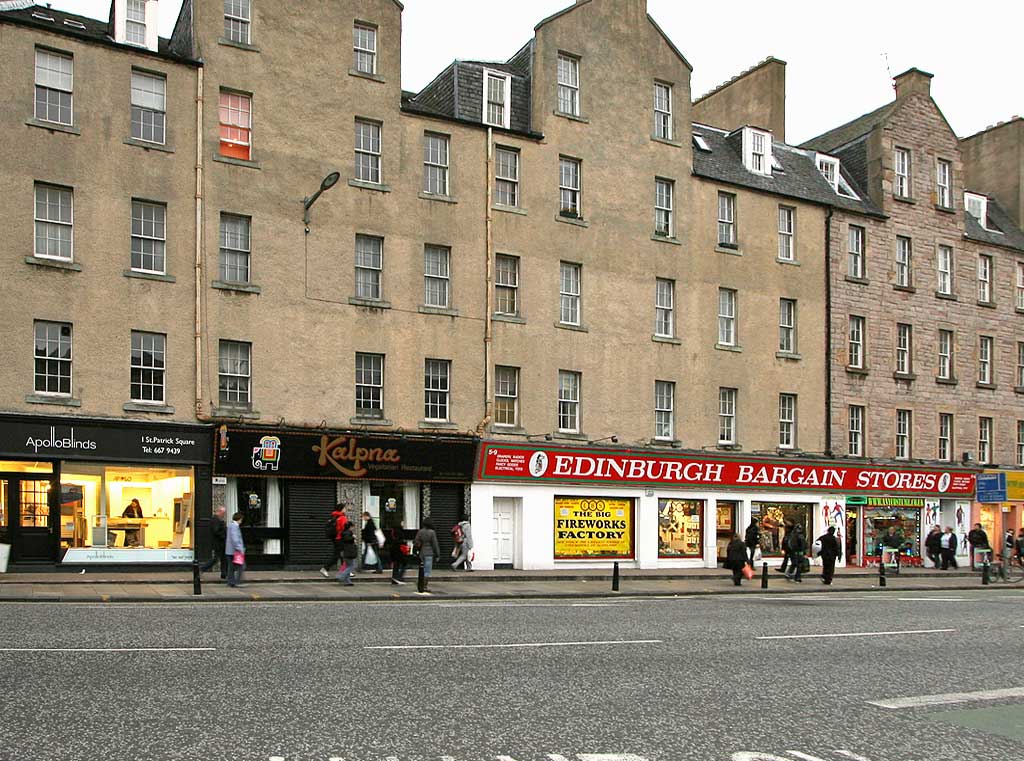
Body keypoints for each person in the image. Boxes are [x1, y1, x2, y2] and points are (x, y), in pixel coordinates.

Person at [319, 503, 349, 578]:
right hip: (340, 539)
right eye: (344, 508)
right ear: (342, 509)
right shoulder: (342, 517)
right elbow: (344, 529)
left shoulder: (334, 516)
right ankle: (325, 568)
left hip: (335, 538)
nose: (346, 509)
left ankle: (346, 571)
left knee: (341, 555)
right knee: (337, 556)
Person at [414, 519, 441, 594]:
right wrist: (438, 554)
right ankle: (425, 586)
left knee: (422, 570)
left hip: (422, 552)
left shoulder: (420, 531)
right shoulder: (432, 532)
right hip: (429, 553)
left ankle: (420, 584)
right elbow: (435, 544)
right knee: (427, 571)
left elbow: (416, 541)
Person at [201, 506, 227, 579]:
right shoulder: (215, 520)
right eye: (223, 513)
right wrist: (223, 533)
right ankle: (203, 568)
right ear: (219, 512)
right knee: (216, 559)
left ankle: (224, 573)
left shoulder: (218, 519)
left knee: (223, 558)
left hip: (221, 543)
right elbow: (216, 531)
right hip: (218, 543)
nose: (224, 515)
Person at [386, 518, 409, 585]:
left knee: (396, 565)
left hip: (394, 551)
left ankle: (395, 578)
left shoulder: (393, 531)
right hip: (399, 551)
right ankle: (399, 577)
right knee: (403, 564)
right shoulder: (399, 531)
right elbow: (400, 541)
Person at [225, 512, 245, 588]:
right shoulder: (234, 526)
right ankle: (236, 582)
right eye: (241, 519)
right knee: (241, 566)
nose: (241, 521)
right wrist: (240, 549)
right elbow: (235, 539)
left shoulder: (231, 525)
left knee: (231, 567)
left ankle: (231, 582)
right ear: (239, 519)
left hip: (230, 551)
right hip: (234, 551)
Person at [336, 520, 358, 586]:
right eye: (353, 527)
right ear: (350, 527)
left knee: (348, 566)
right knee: (351, 566)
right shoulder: (347, 533)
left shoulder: (345, 532)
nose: (353, 528)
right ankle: (341, 576)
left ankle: (348, 581)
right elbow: (347, 540)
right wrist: (353, 538)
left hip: (346, 551)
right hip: (348, 551)